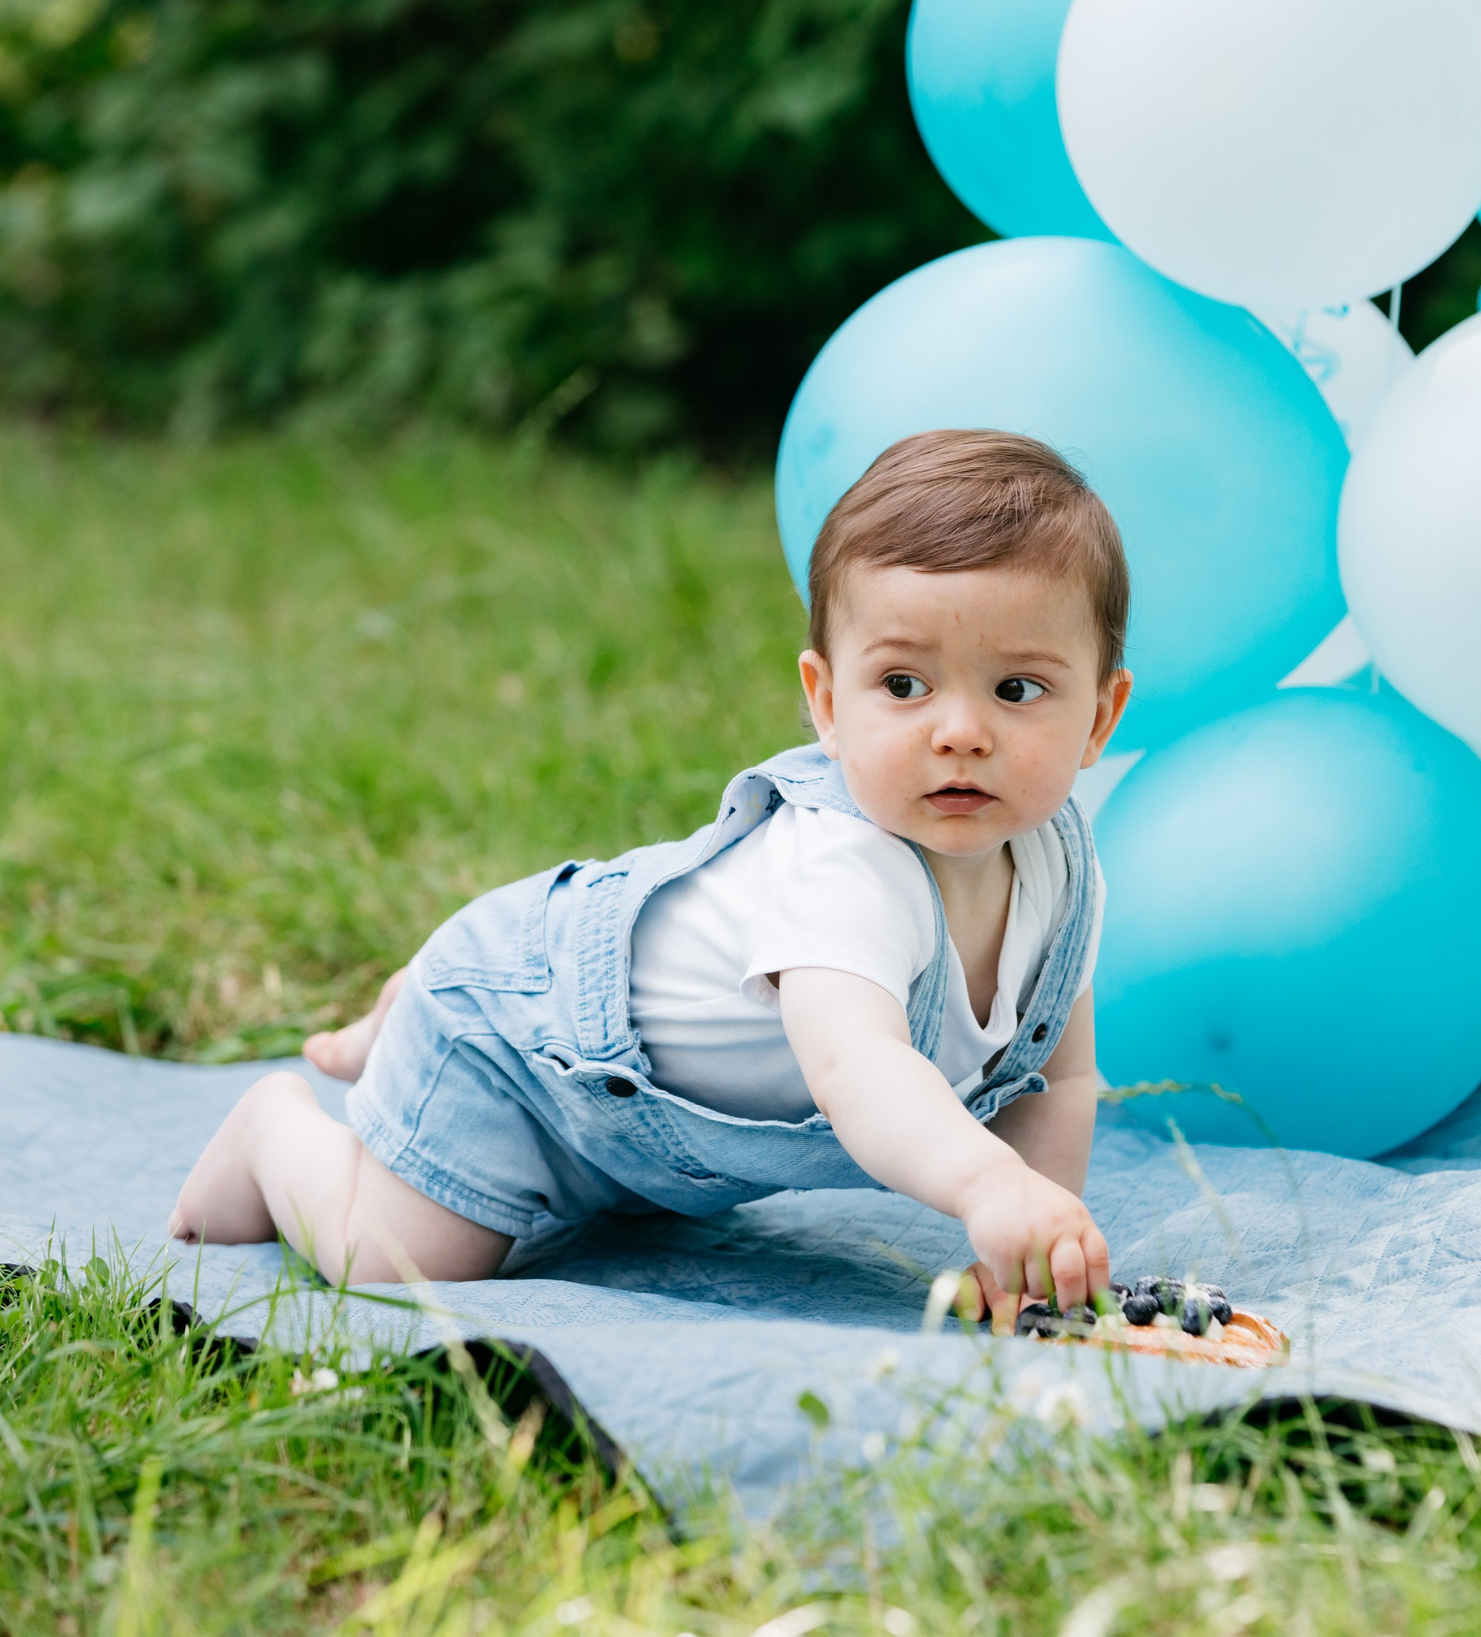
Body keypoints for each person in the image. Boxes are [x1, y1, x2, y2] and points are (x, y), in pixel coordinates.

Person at [168, 428, 1130, 1316]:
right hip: (519, 1042)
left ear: (1098, 717)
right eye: (904, 685)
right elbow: (859, 1067)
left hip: (646, 1147)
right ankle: (276, 1130)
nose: (959, 731)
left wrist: (1045, 1245)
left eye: (1017, 689)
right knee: (395, 1262)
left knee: (631, 1222)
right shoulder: (846, 867)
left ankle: (389, 1016)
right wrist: (990, 1186)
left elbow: (1060, 1078)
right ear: (827, 703)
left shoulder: (1059, 868)